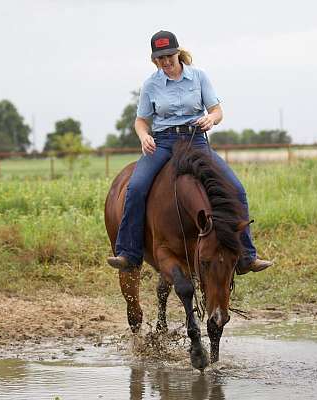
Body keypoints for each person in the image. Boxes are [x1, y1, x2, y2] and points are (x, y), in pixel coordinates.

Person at [107, 30, 272, 275]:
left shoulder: (199, 76)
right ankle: (129, 253)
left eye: (169, 56)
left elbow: (217, 110)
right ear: (155, 59)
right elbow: (141, 121)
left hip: (195, 140)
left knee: (236, 189)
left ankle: (247, 255)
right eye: (159, 58)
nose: (165, 61)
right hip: (163, 142)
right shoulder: (150, 84)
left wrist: (211, 120)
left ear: (178, 53)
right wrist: (144, 137)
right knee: (136, 187)